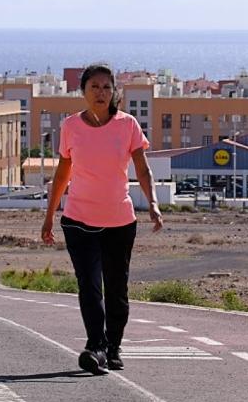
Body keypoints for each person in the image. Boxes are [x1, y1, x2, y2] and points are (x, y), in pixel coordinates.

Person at [41, 64, 163, 375]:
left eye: (106, 87)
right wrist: (49, 216)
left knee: (116, 286)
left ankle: (113, 346)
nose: (100, 92)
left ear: (114, 93)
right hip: (78, 219)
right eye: (94, 87)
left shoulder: (128, 125)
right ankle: (95, 346)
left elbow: (143, 169)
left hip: (119, 221)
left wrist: (153, 203)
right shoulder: (71, 126)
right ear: (83, 92)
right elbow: (62, 174)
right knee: (89, 285)